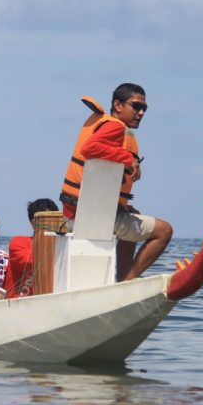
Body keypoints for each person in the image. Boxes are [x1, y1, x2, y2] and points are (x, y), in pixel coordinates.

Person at [60, 83, 172, 281]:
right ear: (118, 105)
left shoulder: (103, 123)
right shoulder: (115, 126)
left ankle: (122, 278)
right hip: (90, 217)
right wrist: (128, 158)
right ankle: (126, 283)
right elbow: (90, 148)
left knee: (134, 217)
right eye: (136, 106)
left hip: (75, 211)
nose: (141, 113)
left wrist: (121, 206)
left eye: (144, 108)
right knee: (164, 231)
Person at [4, 198, 58, 298]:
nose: (53, 225)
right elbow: (33, 264)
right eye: (48, 221)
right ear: (34, 223)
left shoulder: (61, 245)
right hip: (18, 303)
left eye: (56, 220)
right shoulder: (19, 242)